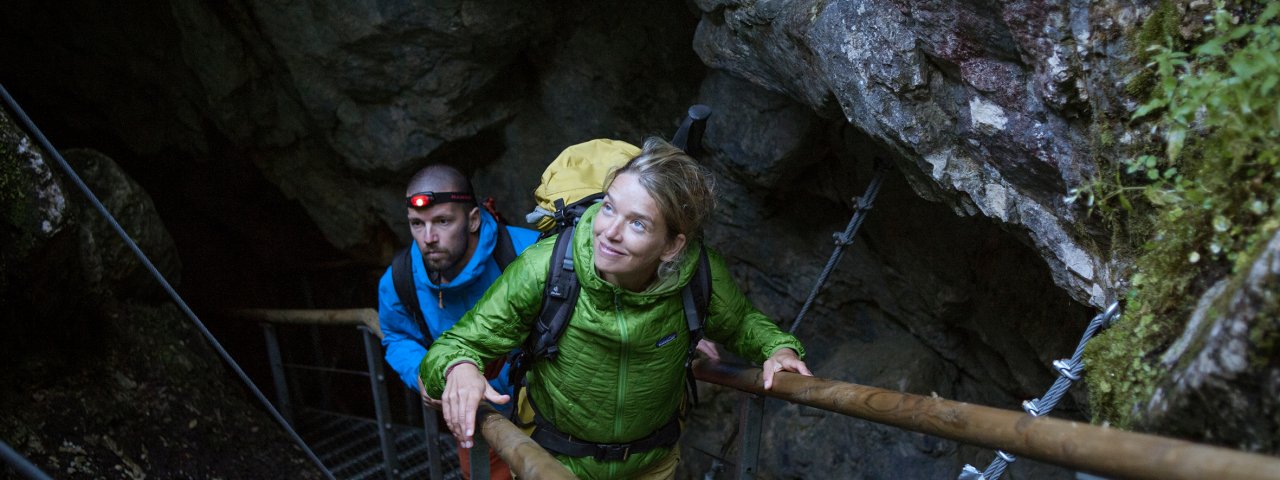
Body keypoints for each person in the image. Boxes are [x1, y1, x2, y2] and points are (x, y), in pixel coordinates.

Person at [421, 138, 812, 479]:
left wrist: (778, 349)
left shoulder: (698, 275)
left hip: (651, 467)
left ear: (673, 245)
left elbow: (742, 323)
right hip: (556, 465)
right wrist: (459, 368)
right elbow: (452, 347)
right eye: (609, 208)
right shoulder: (547, 268)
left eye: (638, 224)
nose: (609, 231)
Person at [376, 164, 539, 480]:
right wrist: (423, 372)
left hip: (547, 413)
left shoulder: (531, 254)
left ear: (474, 219)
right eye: (416, 224)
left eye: (443, 221)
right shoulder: (400, 280)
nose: (429, 238)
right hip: (475, 420)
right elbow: (397, 335)